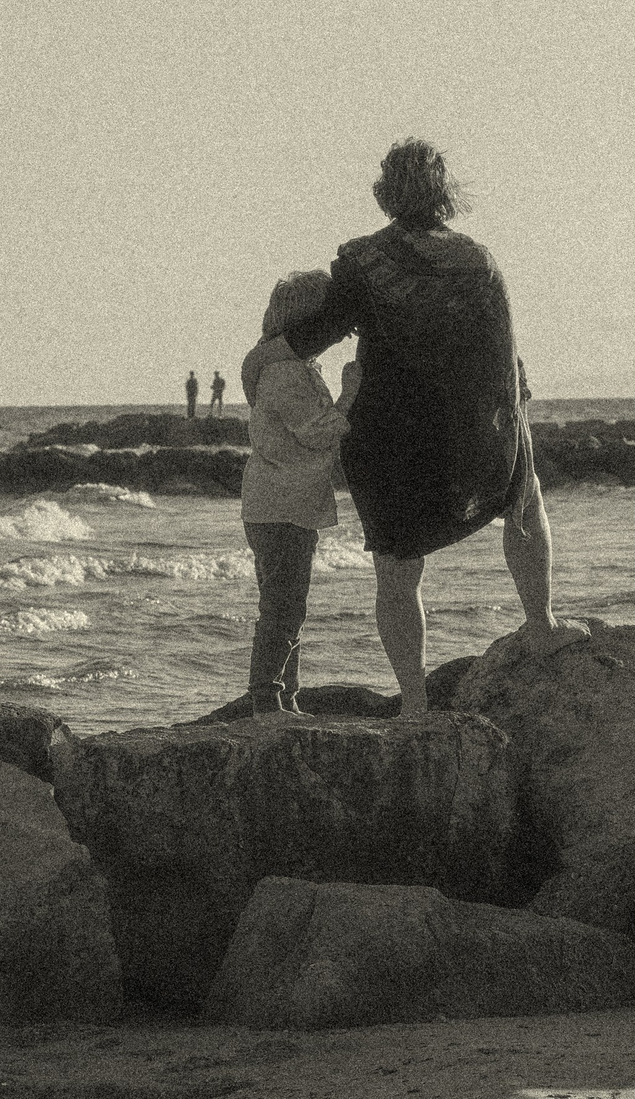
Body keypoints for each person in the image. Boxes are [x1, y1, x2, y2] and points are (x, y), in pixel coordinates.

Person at [243, 138, 568, 713]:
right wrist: (514, 424)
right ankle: (541, 625)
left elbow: (313, 335)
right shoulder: (478, 260)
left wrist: (259, 362)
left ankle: (415, 700)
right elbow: (505, 356)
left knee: (398, 570)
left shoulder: (362, 262)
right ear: (446, 193)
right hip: (470, 432)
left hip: (390, 440)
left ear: (385, 193)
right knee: (525, 501)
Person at [237, 271, 359, 714]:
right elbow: (318, 433)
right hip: (283, 505)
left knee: (287, 605)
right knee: (284, 608)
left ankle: (286, 696)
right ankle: (267, 699)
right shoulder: (286, 373)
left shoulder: (280, 367)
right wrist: (349, 395)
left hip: (276, 503)